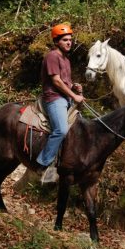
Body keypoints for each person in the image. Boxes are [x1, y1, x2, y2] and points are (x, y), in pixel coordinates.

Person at [35, 24, 84, 171]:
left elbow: (65, 82)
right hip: (54, 98)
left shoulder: (66, 60)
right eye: (65, 40)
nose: (69, 42)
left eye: (70, 39)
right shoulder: (52, 56)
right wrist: (74, 95)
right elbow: (56, 81)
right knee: (61, 130)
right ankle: (42, 164)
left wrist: (74, 87)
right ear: (57, 42)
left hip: (65, 98)